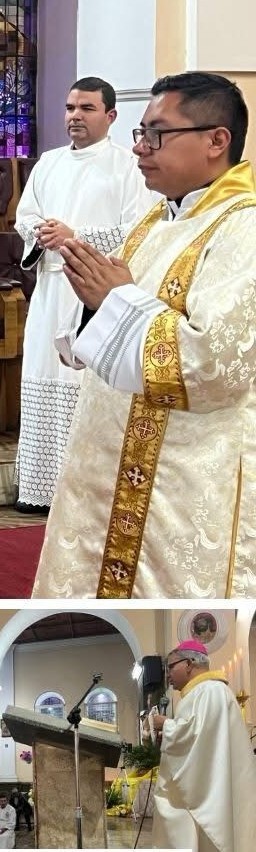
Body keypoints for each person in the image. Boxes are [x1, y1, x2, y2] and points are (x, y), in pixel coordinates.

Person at [35, 72, 256, 598]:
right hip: (107, 462)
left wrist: (116, 301)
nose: (139, 147)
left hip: (184, 476)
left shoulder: (242, 229)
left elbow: (214, 364)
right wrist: (97, 306)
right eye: (140, 131)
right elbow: (107, 320)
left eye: (157, 134)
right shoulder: (155, 220)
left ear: (216, 140)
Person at [13, 76, 156, 513]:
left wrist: (76, 236)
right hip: (51, 286)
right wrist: (42, 233)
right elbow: (25, 214)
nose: (75, 116)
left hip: (95, 292)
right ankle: (37, 488)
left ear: (111, 116)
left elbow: (136, 229)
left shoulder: (127, 166)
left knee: (82, 384)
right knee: (42, 377)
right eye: (71, 107)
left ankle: (82, 491)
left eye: (87, 108)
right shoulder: (49, 162)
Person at [147, 640, 255, 852]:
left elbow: (192, 738)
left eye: (171, 667)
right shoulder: (204, 693)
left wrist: (163, 725)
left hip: (205, 797)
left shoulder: (209, 692)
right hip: (205, 788)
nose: (168, 674)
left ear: (189, 664)